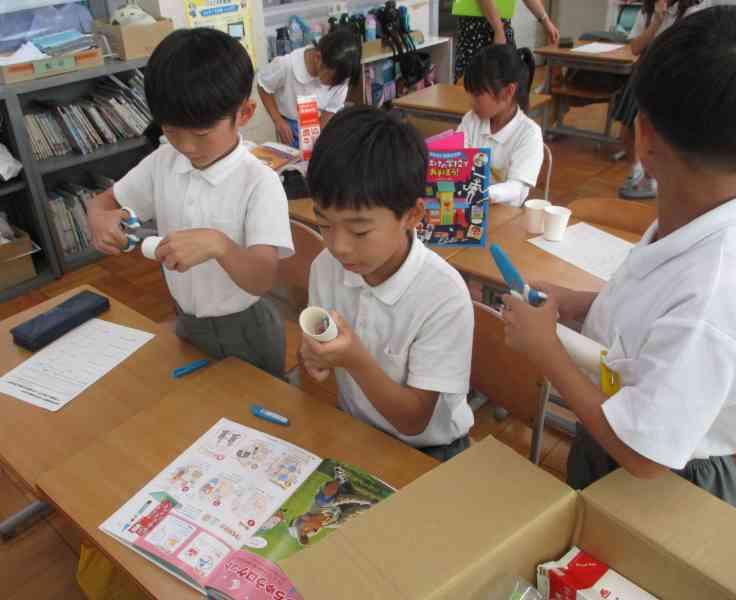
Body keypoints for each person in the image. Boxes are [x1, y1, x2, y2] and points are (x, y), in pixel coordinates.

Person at [502, 6, 736, 506]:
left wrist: (546, 351)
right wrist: (581, 302)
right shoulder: (693, 217)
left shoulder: (712, 290)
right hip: (617, 421)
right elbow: (657, 310)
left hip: (668, 479)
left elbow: (644, 455)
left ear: (643, 137)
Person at [86, 28, 294, 378]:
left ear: (244, 113)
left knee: (253, 406)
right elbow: (102, 203)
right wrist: (99, 217)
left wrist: (220, 246)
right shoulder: (163, 161)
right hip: (186, 320)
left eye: (200, 133)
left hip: (246, 330)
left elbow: (261, 279)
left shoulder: (259, 183)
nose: (185, 146)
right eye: (171, 131)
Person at [299, 106, 475, 462]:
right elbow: (317, 352)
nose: (338, 246)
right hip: (358, 429)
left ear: (412, 215)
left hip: (431, 451)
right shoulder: (326, 267)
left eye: (360, 231)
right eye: (324, 224)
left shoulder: (444, 296)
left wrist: (355, 360)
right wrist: (314, 356)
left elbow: (414, 421)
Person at [614, 0, 711, 199]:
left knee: (660, 134)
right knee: (627, 132)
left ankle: (652, 178)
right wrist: (656, 21)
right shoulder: (648, 10)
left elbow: (687, 49)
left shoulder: (692, 9)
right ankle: (637, 171)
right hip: (644, 74)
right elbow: (635, 47)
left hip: (674, 79)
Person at [458, 45, 543, 207]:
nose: (471, 103)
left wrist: (483, 194)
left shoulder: (529, 133)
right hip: (470, 209)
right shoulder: (471, 120)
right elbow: (457, 161)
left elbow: (516, 188)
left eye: (477, 95)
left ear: (508, 91)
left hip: (507, 214)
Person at [257, 28, 361, 148]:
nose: (332, 86)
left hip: (317, 123)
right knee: (291, 157)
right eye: (330, 80)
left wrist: (316, 140)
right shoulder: (287, 65)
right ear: (318, 58)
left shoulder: (341, 77)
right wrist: (278, 120)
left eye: (337, 83)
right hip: (290, 123)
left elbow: (330, 112)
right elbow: (263, 86)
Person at [452, 0, 559, 83]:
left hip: (499, 25)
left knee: (505, 82)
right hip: (477, 25)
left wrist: (545, 20)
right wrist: (498, 29)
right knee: (473, 85)